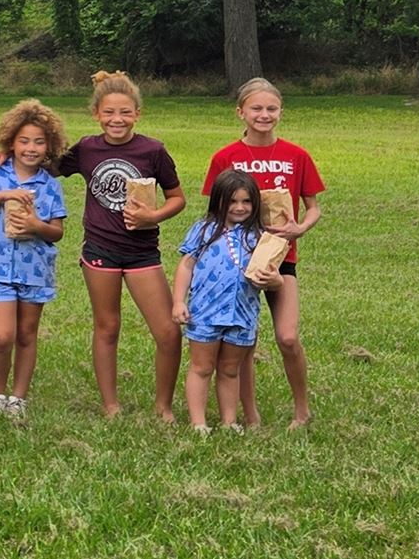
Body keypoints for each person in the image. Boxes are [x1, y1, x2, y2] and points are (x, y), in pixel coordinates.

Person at [59, 71, 186, 421]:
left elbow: (177, 198)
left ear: (137, 114)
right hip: (100, 250)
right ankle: (111, 405)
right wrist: (2, 151)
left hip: (142, 252)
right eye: (110, 113)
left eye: (125, 112)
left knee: (167, 332)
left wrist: (154, 216)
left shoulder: (153, 150)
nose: (117, 120)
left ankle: (163, 406)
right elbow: (41, 161)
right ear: (97, 113)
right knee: (107, 327)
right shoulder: (86, 148)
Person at [202, 77, 325, 428]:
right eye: (256, 108)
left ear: (281, 112)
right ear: (240, 112)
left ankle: (302, 408)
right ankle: (251, 415)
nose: (264, 114)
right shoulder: (226, 157)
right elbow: (214, 212)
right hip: (236, 262)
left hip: (281, 260)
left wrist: (301, 228)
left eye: (271, 108)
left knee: (287, 337)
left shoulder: (296, 155)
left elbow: (313, 206)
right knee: (244, 343)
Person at [0, 100, 68, 414]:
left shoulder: (50, 186)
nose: (31, 148)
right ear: (11, 142)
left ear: (49, 146)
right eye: (23, 141)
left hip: (35, 270)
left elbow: (57, 231)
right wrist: (2, 195)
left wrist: (37, 226)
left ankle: (18, 397)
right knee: (2, 335)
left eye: (38, 141)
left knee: (26, 334)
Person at [175, 171, 264, 431]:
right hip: (205, 312)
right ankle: (198, 422)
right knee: (202, 367)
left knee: (230, 369)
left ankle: (229, 421)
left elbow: (269, 272)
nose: (239, 207)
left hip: (242, 314)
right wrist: (178, 301)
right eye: (232, 201)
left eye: (246, 201)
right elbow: (185, 266)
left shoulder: (258, 235)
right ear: (218, 201)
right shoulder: (204, 230)